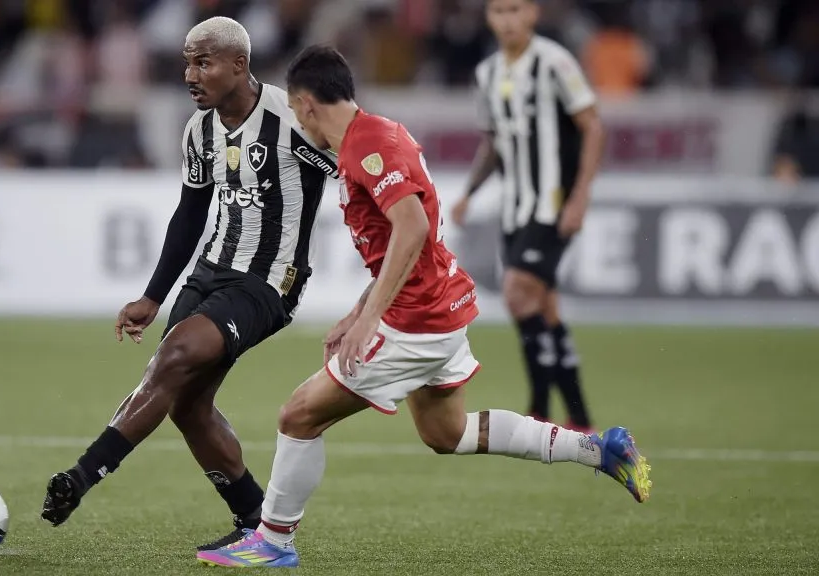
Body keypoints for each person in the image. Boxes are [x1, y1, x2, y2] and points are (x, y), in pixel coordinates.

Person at [196, 45, 650, 569]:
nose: (301, 125)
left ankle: (272, 541)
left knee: (298, 416)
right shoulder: (380, 134)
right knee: (446, 434)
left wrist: (370, 319)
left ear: (305, 105)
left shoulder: (368, 149)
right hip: (439, 309)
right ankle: (601, 450)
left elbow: (412, 227)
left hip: (414, 319)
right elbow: (402, 241)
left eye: (298, 113)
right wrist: (357, 310)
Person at [40, 17, 339, 552]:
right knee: (187, 403)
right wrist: (153, 295)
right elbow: (190, 213)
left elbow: (352, 175)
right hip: (209, 273)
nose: (189, 74)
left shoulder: (293, 119)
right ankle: (256, 522)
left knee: (175, 359)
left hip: (268, 281)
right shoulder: (198, 131)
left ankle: (80, 477)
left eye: (202, 62)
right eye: (187, 62)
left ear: (239, 65)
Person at [450, 0, 605, 432]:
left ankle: (538, 408)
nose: (508, 19)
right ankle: (579, 417)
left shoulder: (555, 62)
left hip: (553, 206)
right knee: (544, 308)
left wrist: (580, 198)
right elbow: (494, 143)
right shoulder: (487, 74)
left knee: (518, 292)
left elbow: (593, 126)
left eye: (516, 9)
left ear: (533, 14)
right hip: (515, 209)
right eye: (499, 11)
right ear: (489, 18)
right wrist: (469, 193)